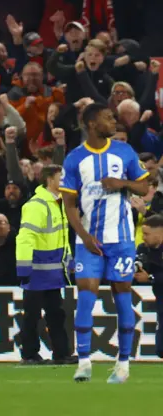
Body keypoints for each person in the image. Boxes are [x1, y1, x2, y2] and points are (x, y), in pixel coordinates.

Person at [60, 103, 150, 383]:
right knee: (86, 293)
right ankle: (84, 362)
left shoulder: (124, 151)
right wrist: (84, 237)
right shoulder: (75, 159)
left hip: (121, 239)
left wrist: (121, 183)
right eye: (108, 117)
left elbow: (145, 187)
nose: (114, 121)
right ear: (91, 123)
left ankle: (123, 364)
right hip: (90, 240)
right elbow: (69, 204)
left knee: (122, 293)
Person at [16, 164, 76, 365]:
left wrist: (68, 261)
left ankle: (61, 353)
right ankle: (30, 354)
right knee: (32, 315)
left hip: (51, 270)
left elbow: (62, 237)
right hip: (37, 269)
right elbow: (26, 237)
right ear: (50, 179)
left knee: (55, 313)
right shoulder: (37, 205)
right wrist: (24, 267)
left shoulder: (57, 203)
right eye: (62, 177)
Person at [133, 214, 163, 358]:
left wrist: (150, 278)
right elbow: (140, 265)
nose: (143, 237)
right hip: (160, 297)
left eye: (147, 234)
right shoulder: (143, 249)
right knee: (161, 349)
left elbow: (150, 276)